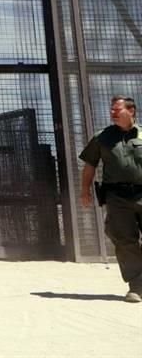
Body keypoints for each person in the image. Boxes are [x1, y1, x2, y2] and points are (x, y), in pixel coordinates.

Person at [79, 95, 142, 304]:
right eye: (111, 110)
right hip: (117, 197)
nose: (112, 113)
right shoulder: (102, 137)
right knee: (124, 241)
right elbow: (90, 165)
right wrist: (85, 191)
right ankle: (137, 286)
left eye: (117, 109)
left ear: (131, 111)